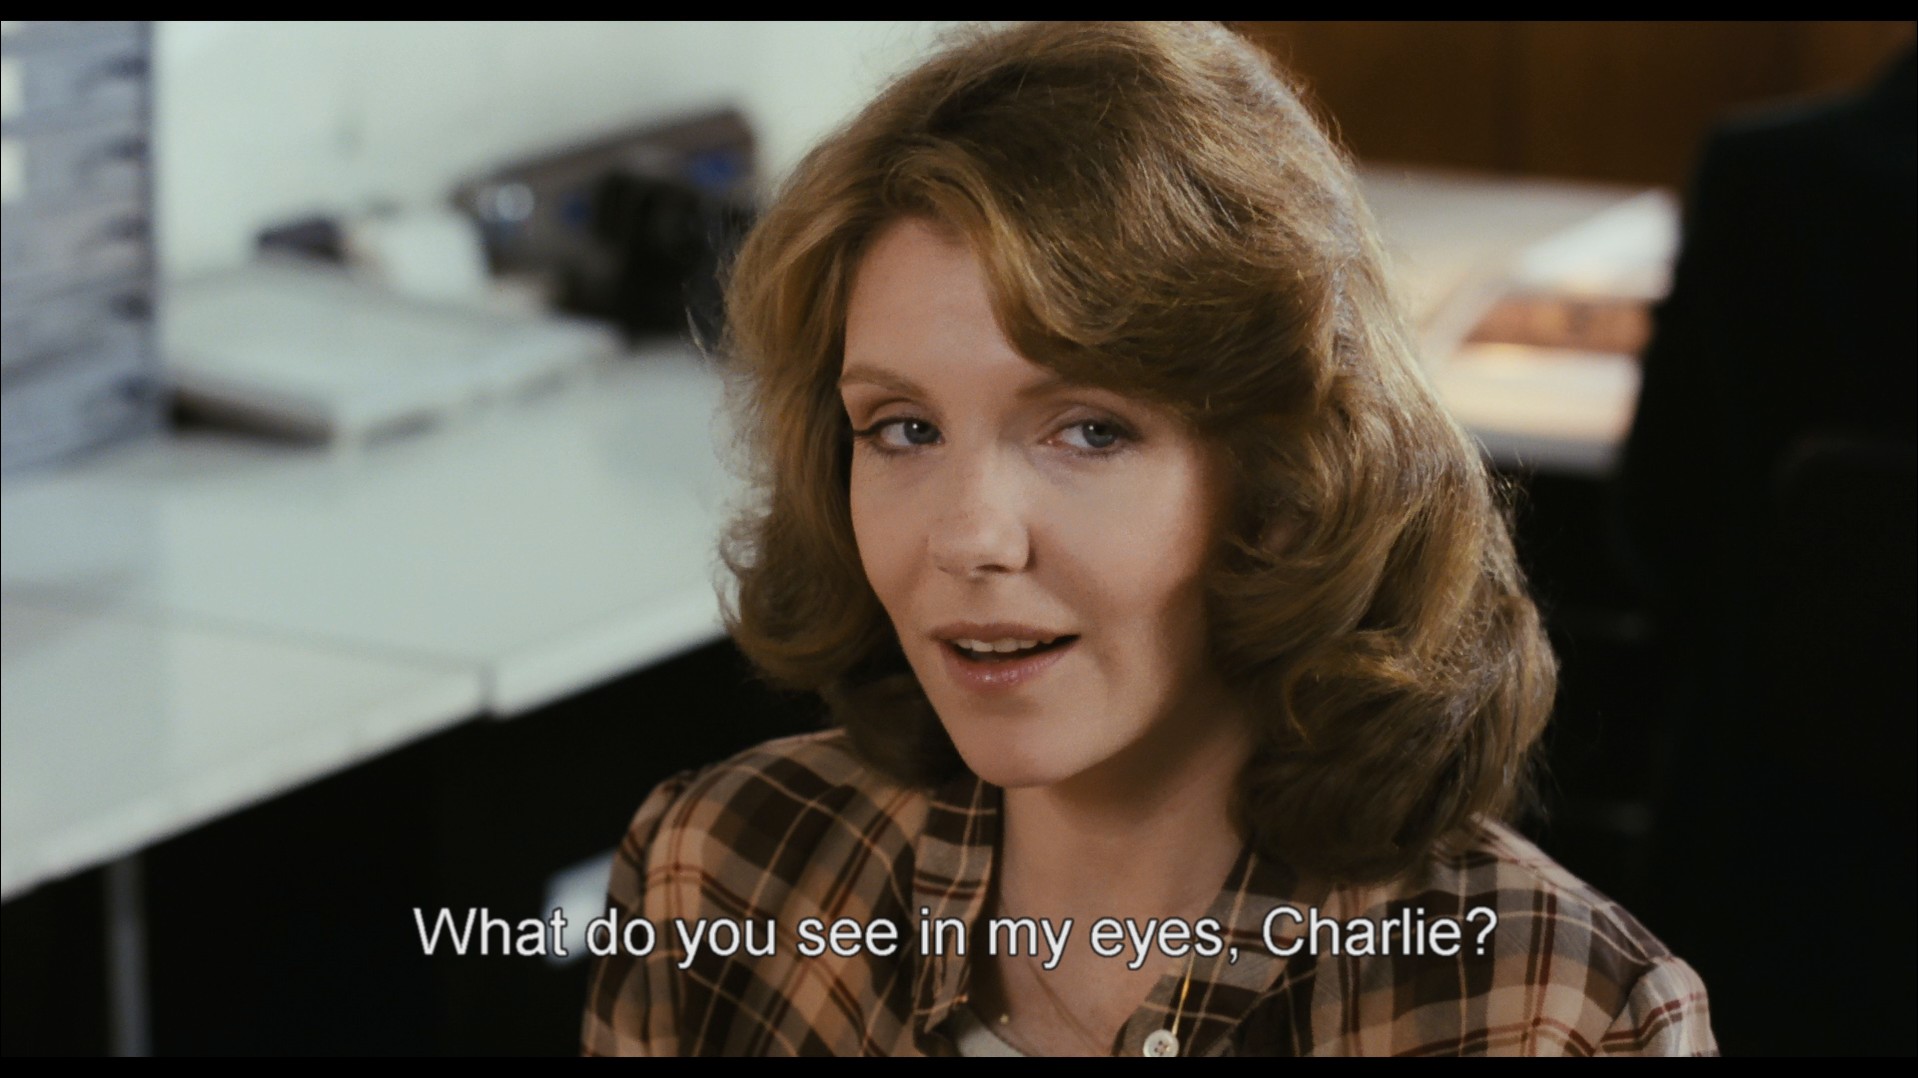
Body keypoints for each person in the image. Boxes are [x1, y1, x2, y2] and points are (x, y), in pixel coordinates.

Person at [582, 22, 1715, 1056]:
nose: (969, 538)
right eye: (903, 428)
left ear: (1287, 482)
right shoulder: (717, 871)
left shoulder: (1552, 1019)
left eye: (1089, 431)